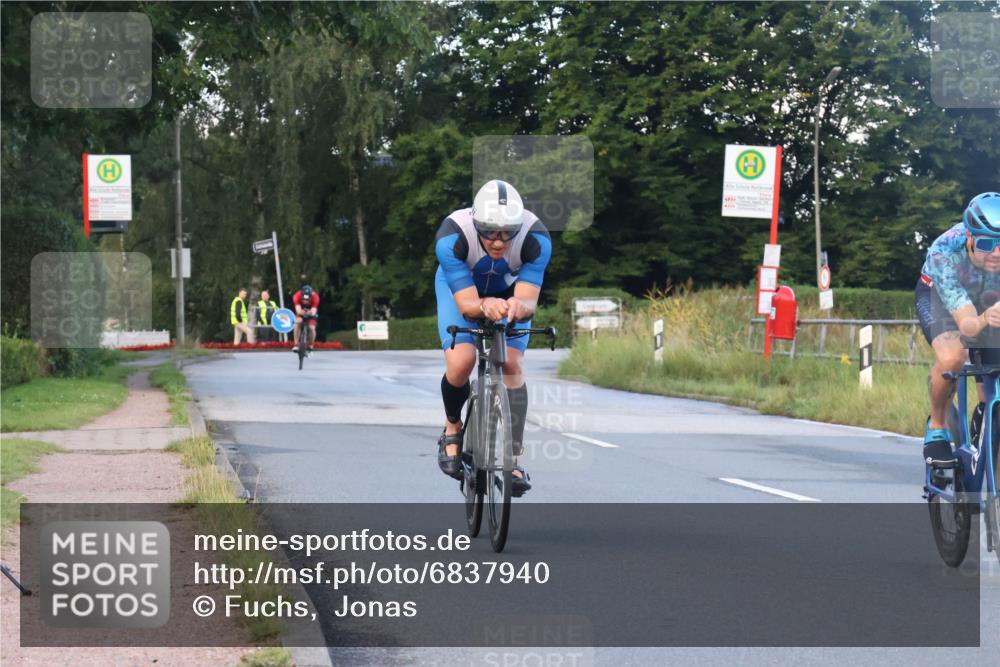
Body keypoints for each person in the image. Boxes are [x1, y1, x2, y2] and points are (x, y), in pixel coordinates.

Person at [434, 179, 552, 496]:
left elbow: (527, 300)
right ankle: (453, 428)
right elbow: (468, 305)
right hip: (461, 290)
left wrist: (518, 305)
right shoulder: (452, 236)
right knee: (462, 361)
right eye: (489, 232)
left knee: (512, 364)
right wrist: (485, 305)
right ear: (476, 223)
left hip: (508, 293)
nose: (499, 242)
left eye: (507, 233)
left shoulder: (535, 238)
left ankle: (513, 458)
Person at [917, 192, 1000, 469]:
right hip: (939, 297)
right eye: (987, 243)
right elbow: (968, 326)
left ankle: (986, 418)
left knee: (992, 387)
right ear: (969, 237)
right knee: (953, 356)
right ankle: (937, 426)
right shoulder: (945, 252)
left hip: (987, 297)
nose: (996, 253)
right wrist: (986, 317)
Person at [292, 284, 319, 353]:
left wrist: (310, 313)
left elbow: (313, 310)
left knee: (311, 327)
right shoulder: (296, 296)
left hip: (311, 311)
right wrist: (302, 313)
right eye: (303, 299)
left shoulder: (315, 297)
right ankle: (296, 344)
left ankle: (311, 345)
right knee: (297, 323)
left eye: (307, 299)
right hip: (300, 310)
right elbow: (298, 310)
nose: (305, 301)